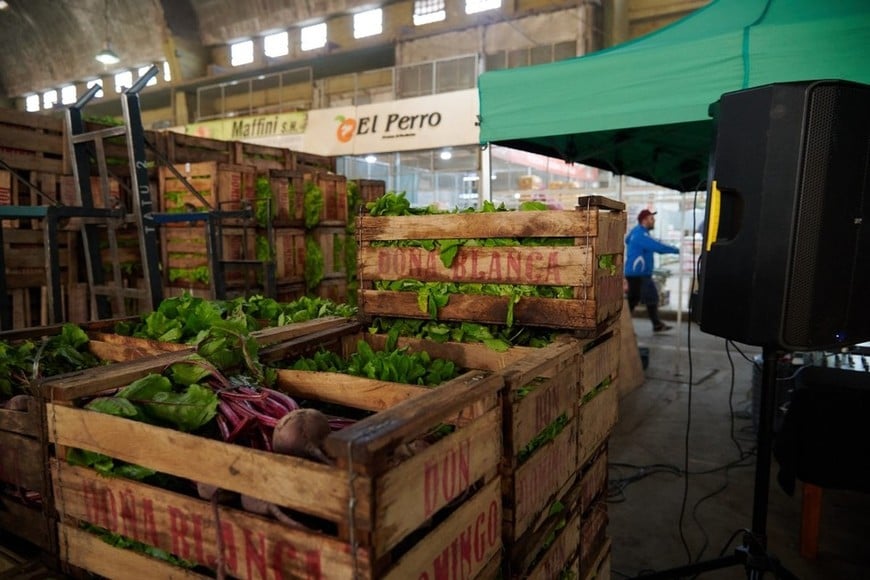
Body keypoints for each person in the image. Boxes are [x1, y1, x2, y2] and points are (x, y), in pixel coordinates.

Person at [625, 209, 680, 332]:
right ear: (644, 220)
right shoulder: (641, 234)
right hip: (638, 273)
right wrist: (677, 250)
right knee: (642, 299)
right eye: (651, 218)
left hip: (637, 273)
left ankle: (655, 324)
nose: (653, 220)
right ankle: (623, 325)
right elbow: (658, 246)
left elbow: (628, 240)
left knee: (640, 299)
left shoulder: (636, 232)